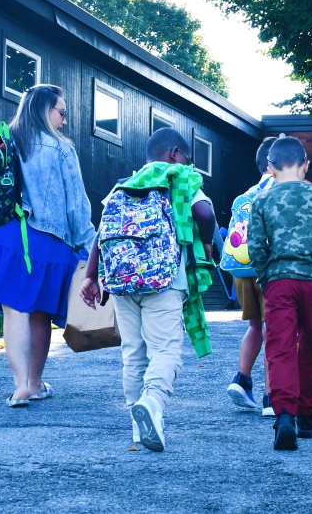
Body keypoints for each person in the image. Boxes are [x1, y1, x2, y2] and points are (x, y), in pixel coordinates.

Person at [80, 127, 216, 452]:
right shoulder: (178, 178)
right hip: (164, 279)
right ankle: (153, 402)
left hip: (123, 282)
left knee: (133, 352)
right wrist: (207, 243)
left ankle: (137, 425)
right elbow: (205, 213)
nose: (190, 164)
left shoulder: (122, 185)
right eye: (187, 157)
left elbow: (102, 232)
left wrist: (90, 276)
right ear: (173, 153)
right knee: (166, 348)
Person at [0, 84, 95, 407]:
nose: (64, 121)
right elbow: (76, 206)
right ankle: (33, 383)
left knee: (15, 311)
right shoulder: (60, 148)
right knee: (40, 314)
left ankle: (21, 384)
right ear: (44, 109)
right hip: (47, 243)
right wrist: (92, 246)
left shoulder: (5, 139)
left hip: (5, 237)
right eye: (61, 112)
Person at [247, 136, 312, 450]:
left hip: (280, 282)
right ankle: (308, 412)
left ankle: (285, 414)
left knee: (281, 348)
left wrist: (266, 278)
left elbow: (255, 248)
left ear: (271, 169)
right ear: (306, 166)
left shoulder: (261, 201)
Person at [226, 137, 276, 416]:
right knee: (276, 330)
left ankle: (242, 379)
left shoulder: (244, 195)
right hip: (267, 270)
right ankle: (272, 395)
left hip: (242, 269)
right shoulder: (280, 193)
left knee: (256, 326)